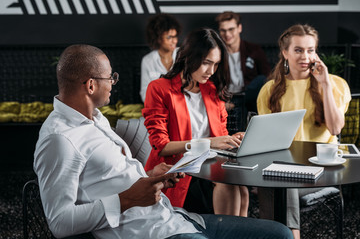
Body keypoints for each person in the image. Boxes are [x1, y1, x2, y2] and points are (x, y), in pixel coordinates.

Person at [33, 44, 292, 239]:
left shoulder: (95, 119)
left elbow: (108, 179)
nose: (113, 83)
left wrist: (149, 176)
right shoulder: (60, 139)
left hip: (174, 218)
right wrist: (128, 198)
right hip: (148, 232)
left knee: (281, 234)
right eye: (110, 78)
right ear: (90, 85)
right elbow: (59, 222)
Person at [256, 24, 351, 239]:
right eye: (298, 50)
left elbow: (336, 128)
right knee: (282, 177)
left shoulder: (336, 84)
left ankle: (288, 235)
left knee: (279, 182)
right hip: (285, 169)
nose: (305, 56)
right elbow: (268, 141)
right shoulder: (269, 90)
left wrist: (324, 84)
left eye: (311, 50)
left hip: (322, 171)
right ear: (285, 53)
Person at [142, 28, 249, 217]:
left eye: (216, 64)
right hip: (177, 170)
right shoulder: (159, 89)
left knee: (241, 187)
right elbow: (161, 146)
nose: (211, 71)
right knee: (229, 184)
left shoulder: (212, 90)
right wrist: (208, 142)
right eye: (206, 63)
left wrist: (231, 139)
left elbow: (219, 136)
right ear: (188, 57)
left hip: (209, 167)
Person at [215, 11, 271, 133]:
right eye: (223, 30)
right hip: (228, 97)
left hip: (249, 95)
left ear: (239, 28)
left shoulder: (253, 50)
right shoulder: (217, 53)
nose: (227, 34)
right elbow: (213, 81)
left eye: (231, 29)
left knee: (261, 80)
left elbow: (267, 77)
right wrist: (222, 101)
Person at [140, 13, 181, 102]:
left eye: (175, 36)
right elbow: (144, 92)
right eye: (169, 37)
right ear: (158, 38)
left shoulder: (184, 55)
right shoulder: (148, 60)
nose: (174, 41)